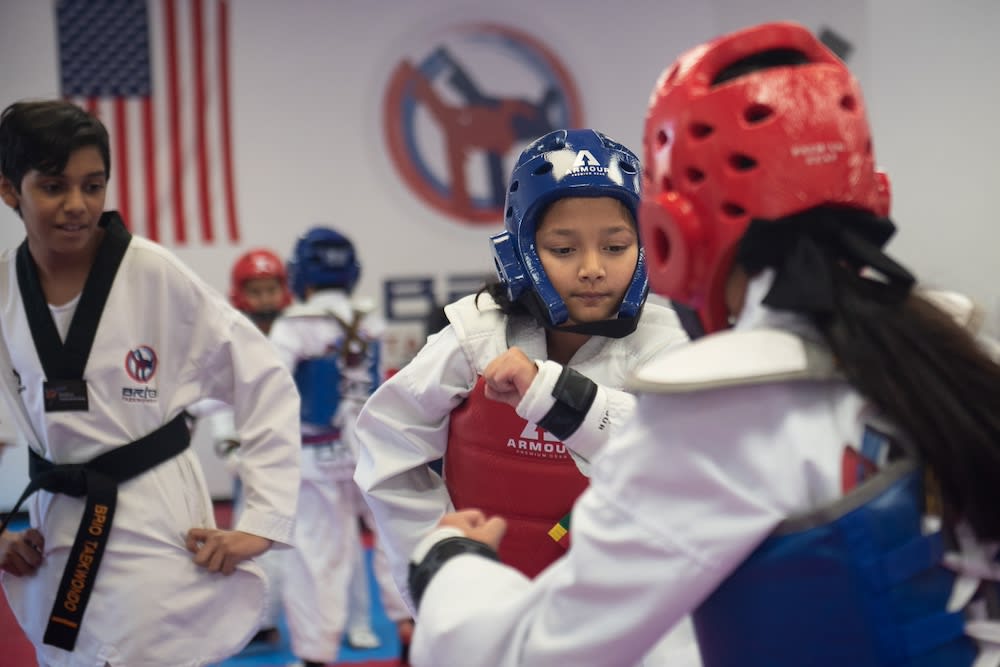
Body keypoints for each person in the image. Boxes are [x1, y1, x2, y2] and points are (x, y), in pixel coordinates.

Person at [402, 22, 1000, 667]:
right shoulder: (961, 355)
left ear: (670, 231)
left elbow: (536, 654)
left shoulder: (721, 416)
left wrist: (449, 567)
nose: (594, 266)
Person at [354, 128, 694, 662]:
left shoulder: (668, 340)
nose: (591, 268)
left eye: (615, 246)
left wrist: (553, 393)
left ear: (647, 244)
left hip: (625, 616)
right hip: (490, 604)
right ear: (523, 250)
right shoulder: (478, 335)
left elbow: (680, 449)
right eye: (562, 248)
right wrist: (439, 563)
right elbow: (386, 442)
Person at [0, 99, 301, 667]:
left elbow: (264, 379)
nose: (76, 206)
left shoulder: (152, 273)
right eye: (54, 187)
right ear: (10, 190)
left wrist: (261, 524)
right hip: (55, 528)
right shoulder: (4, 292)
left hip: (151, 517)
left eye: (93, 185)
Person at [269, 227, 409, 667]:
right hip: (374, 448)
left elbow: (270, 388)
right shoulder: (372, 322)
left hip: (316, 452)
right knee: (394, 542)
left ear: (301, 275)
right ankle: (412, 634)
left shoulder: (293, 326)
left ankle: (315, 656)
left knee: (316, 554)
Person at [194, 247, 295, 650]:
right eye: (257, 290)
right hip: (253, 454)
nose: (266, 298)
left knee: (316, 549)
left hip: (306, 453)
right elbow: (215, 401)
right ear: (241, 294)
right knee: (256, 538)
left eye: (272, 289)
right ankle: (260, 622)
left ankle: (319, 623)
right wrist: (228, 447)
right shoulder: (232, 336)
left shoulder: (300, 332)